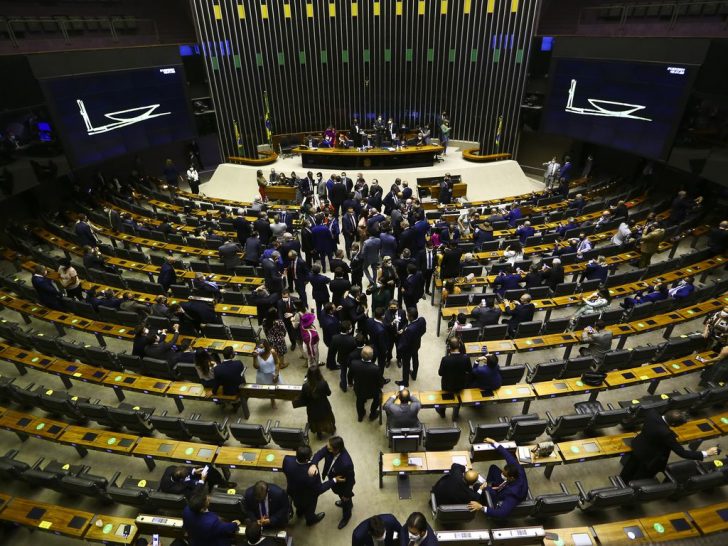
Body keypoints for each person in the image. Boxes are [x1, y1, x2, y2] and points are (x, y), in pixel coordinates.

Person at [619, 409, 719, 483]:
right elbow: (683, 453)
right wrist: (706, 453)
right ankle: (632, 487)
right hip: (649, 457)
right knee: (641, 476)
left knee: (629, 467)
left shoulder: (652, 413)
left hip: (638, 445)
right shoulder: (666, 434)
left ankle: (622, 480)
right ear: (673, 424)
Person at [467, 437, 529, 518]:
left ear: (511, 478)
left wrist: (481, 507)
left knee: (477, 486)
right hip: (506, 486)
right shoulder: (517, 468)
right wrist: (494, 442)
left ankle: (484, 499)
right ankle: (489, 485)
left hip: (500, 497)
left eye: (504, 475)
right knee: (493, 468)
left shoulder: (513, 495)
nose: (501, 475)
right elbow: (507, 455)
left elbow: (502, 513)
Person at [309, 436, 356, 529]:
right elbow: (319, 454)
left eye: (329, 448)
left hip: (342, 486)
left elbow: (351, 481)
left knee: (346, 501)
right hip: (334, 480)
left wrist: (346, 495)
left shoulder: (347, 463)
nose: (327, 448)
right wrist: (314, 464)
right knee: (340, 496)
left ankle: (347, 516)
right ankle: (346, 502)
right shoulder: (329, 448)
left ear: (336, 450)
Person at [282, 445, 331, 527]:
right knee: (310, 512)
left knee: (298, 505)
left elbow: (284, 470)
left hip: (292, 492)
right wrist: (333, 481)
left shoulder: (287, 460)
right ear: (307, 459)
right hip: (308, 498)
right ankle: (310, 520)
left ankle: (299, 513)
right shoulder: (312, 473)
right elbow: (319, 489)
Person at [293, 365, 336, 439]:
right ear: (319, 373)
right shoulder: (323, 383)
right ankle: (331, 431)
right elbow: (329, 393)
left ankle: (319, 434)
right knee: (327, 419)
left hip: (312, 408)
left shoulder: (305, 386)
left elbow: (302, 398)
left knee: (316, 421)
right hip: (324, 406)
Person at [436, 337, 472, 419]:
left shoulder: (445, 359)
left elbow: (440, 373)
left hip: (447, 385)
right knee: (458, 398)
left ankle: (442, 413)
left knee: (444, 397)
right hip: (461, 384)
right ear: (459, 346)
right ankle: (455, 415)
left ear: (449, 347)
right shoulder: (466, 358)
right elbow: (470, 370)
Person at [350, 346, 385, 422]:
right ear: (372, 356)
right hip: (372, 391)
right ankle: (372, 414)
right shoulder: (376, 368)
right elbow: (380, 381)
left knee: (359, 401)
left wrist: (350, 383)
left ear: (361, 354)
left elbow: (350, 375)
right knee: (377, 399)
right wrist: (381, 386)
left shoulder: (354, 364)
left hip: (359, 389)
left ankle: (360, 415)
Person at [396, 307, 427, 386]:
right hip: (416, 345)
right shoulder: (422, 320)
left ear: (411, 317)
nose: (406, 316)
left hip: (408, 349)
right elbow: (423, 330)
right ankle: (414, 375)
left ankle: (405, 382)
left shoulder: (409, 330)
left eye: (407, 315)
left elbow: (405, 343)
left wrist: (399, 347)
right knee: (415, 358)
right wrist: (405, 329)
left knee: (406, 365)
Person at [160, 464, 228, 498]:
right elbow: (194, 494)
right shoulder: (178, 489)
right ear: (181, 479)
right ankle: (211, 487)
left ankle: (220, 482)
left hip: (187, 481)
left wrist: (194, 471)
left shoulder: (171, 469)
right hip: (191, 489)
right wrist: (202, 480)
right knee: (205, 478)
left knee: (208, 468)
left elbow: (185, 469)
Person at [331, 320, 358, 392]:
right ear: (348, 330)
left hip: (341, 358)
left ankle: (344, 387)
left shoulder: (335, 338)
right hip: (351, 360)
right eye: (351, 327)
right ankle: (351, 382)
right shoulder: (353, 339)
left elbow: (333, 350)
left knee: (343, 372)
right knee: (352, 372)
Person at [253, 340, 282, 405]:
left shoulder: (272, 352)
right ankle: (272, 400)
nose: (260, 350)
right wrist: (255, 358)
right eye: (259, 348)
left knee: (277, 388)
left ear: (266, 346)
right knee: (268, 390)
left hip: (272, 374)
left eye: (262, 347)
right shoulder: (257, 354)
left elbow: (277, 363)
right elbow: (256, 367)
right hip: (262, 376)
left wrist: (276, 374)